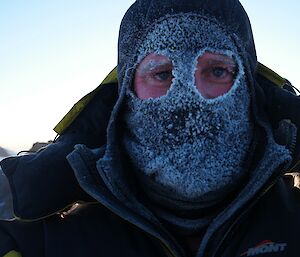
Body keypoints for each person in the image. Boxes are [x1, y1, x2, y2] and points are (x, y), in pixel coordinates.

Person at [0, 0, 300, 256]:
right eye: (162, 73)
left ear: (250, 90)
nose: (187, 98)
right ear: (126, 96)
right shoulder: (40, 244)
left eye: (217, 70)